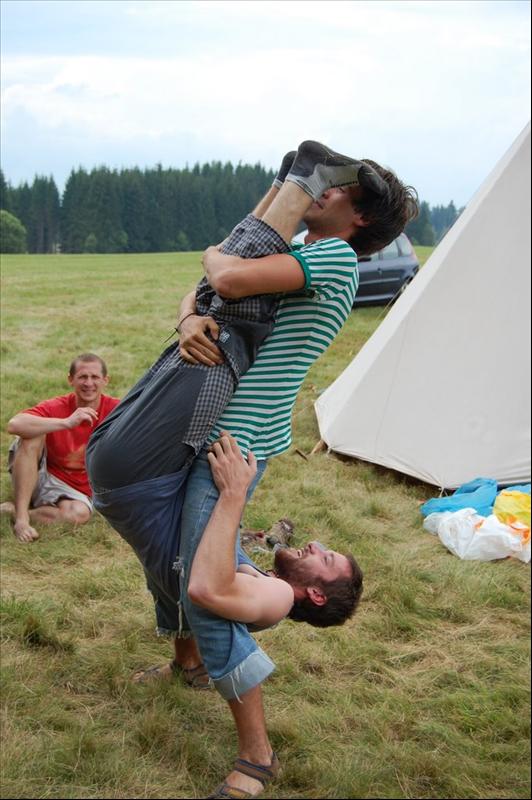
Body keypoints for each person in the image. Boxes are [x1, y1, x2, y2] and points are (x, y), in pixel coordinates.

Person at [86, 141, 418, 798]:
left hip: (233, 449)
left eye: (336, 189)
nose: (323, 197)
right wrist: (191, 317)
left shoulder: (334, 256)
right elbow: (212, 296)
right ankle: (188, 665)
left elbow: (228, 280)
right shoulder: (307, 254)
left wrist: (212, 261)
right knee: (175, 558)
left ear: (358, 219)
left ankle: (257, 756)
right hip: (220, 432)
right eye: (318, 185)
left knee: (207, 588)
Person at [1, 353, 120, 543]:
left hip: (78, 488)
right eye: (82, 377)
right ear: (70, 379)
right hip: (41, 475)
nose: (89, 383)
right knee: (31, 435)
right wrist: (67, 422)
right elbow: (14, 425)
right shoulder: (57, 406)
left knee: (79, 514)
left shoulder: (116, 410)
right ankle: (22, 519)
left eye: (95, 377)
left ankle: (13, 510)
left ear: (105, 380)